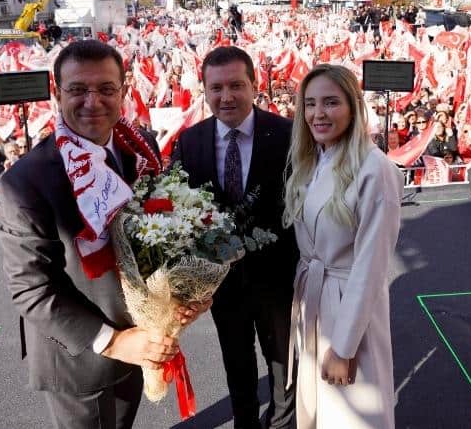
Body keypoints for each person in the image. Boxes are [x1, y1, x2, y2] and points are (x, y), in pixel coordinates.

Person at [0, 40, 200, 429]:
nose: (93, 102)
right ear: (58, 94)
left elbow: (158, 229)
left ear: (123, 92)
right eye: (78, 89)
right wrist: (117, 342)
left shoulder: (140, 147)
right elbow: (31, 288)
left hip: (141, 334)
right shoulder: (25, 181)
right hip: (81, 357)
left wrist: (183, 294)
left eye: (106, 89)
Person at [170, 46, 298, 429]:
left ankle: (281, 424)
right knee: (237, 365)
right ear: (205, 91)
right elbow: (179, 208)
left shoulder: (289, 134)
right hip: (222, 286)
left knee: (283, 367)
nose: (226, 96)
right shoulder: (190, 142)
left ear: (254, 86)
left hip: (277, 280)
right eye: (217, 88)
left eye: (236, 85)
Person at [282, 64, 402, 429]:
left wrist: (344, 347)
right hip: (314, 302)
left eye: (331, 102)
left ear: (353, 107)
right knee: (320, 411)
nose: (318, 113)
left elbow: (371, 267)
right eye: (310, 103)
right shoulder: (312, 159)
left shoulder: (375, 168)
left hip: (348, 309)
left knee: (351, 416)